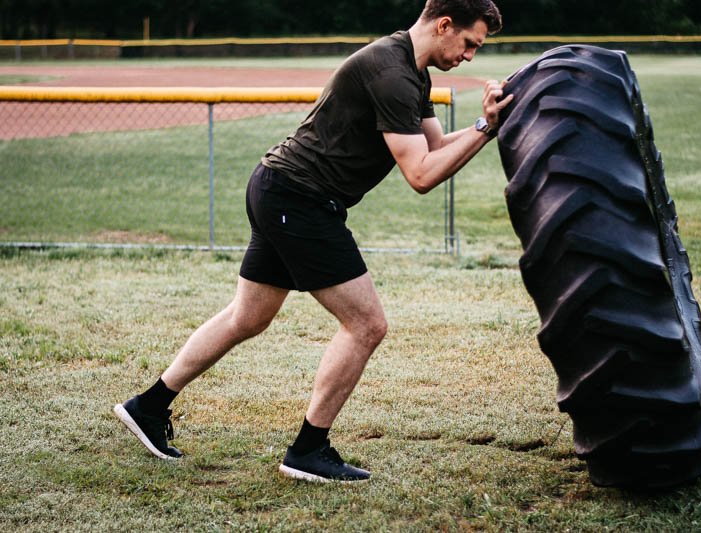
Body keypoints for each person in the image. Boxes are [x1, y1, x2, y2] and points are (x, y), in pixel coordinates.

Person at [114, 0, 512, 483]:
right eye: (469, 43)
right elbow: (422, 175)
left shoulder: (412, 72)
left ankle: (148, 407)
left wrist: (484, 124)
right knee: (366, 324)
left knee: (248, 316)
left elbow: (436, 148)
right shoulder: (392, 73)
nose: (470, 56)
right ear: (444, 25)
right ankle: (308, 449)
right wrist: (485, 127)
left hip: (278, 187)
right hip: (298, 199)